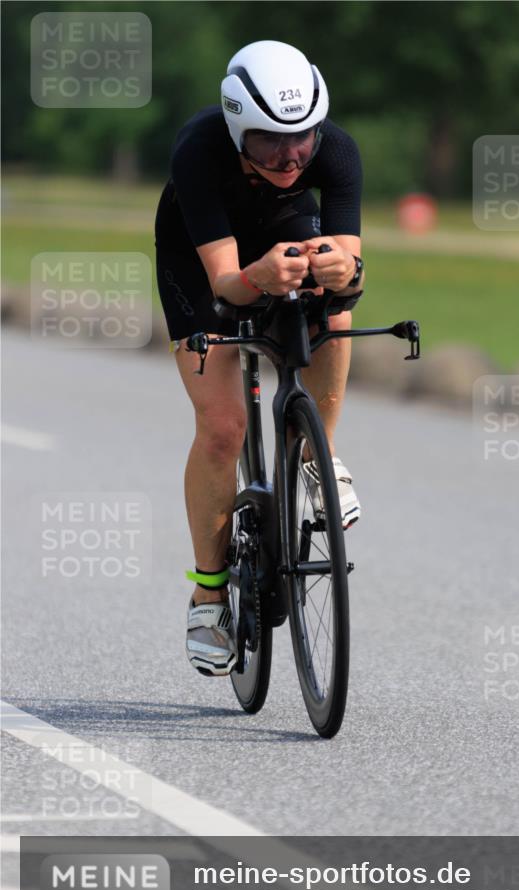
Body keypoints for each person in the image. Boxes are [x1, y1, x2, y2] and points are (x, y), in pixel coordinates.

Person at [154, 40, 365, 678]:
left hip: (283, 236)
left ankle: (314, 458)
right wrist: (261, 275)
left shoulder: (337, 149)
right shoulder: (199, 148)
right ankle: (209, 594)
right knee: (223, 429)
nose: (291, 156)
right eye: (271, 140)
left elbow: (353, 276)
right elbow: (225, 285)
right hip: (203, 263)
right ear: (237, 124)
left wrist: (343, 270)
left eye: (302, 137)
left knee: (336, 310)